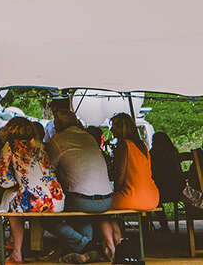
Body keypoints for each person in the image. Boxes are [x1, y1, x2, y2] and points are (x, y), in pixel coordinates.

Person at [0, 116, 64, 264]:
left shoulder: (10, 147)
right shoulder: (40, 145)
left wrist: (16, 182)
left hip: (36, 200)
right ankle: (35, 248)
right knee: (25, 201)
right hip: (56, 198)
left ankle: (16, 252)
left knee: (12, 209)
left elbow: (3, 180)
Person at [46, 111, 110, 263]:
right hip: (107, 199)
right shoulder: (88, 137)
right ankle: (85, 254)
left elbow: (49, 168)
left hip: (82, 200)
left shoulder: (58, 140)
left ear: (58, 124)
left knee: (47, 218)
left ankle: (88, 246)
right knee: (82, 216)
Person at [104, 113, 159, 259]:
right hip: (152, 196)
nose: (111, 129)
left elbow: (120, 175)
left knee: (99, 207)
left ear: (122, 127)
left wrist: (115, 192)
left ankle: (112, 245)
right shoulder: (142, 145)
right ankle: (118, 240)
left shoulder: (123, 145)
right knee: (111, 209)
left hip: (133, 196)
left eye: (114, 125)